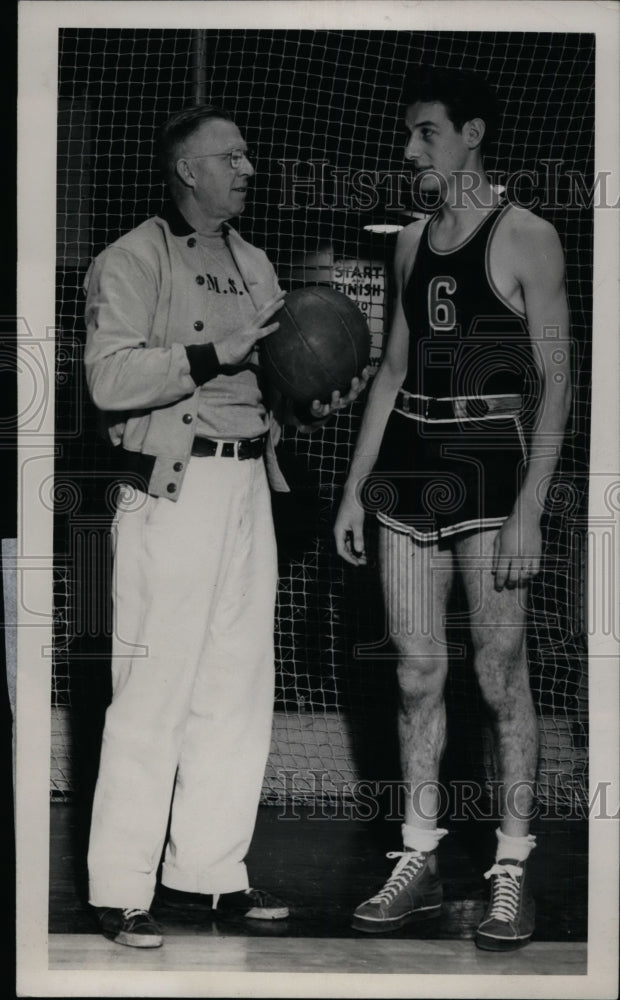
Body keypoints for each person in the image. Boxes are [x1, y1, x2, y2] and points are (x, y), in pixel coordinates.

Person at [83, 104, 367, 948]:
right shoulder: (130, 258)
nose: (247, 168)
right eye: (232, 156)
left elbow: (276, 380)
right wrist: (217, 351)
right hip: (170, 491)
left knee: (236, 692)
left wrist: (314, 399)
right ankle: (119, 888)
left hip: (249, 488)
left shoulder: (253, 260)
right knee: (154, 693)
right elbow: (106, 378)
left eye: (246, 155)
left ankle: (207, 877)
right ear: (187, 170)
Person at [334, 67, 571, 951]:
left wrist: (530, 510)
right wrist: (358, 487)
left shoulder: (528, 237)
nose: (409, 151)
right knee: (413, 675)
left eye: (425, 133)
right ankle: (419, 859)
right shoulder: (408, 245)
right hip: (408, 468)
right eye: (409, 135)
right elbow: (393, 372)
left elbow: (555, 386)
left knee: (499, 675)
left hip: (489, 468)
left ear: (472, 133)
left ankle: (510, 871)